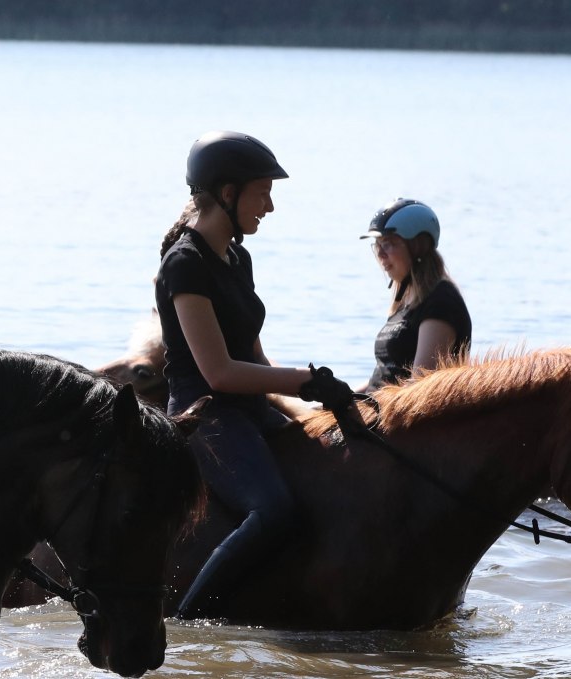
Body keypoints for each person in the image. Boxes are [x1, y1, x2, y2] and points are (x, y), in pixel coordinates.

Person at [153, 131, 354, 620]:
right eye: (263, 192)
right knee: (273, 511)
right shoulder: (185, 264)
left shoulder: (237, 259)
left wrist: (312, 404)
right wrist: (304, 381)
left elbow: (256, 360)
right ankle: (188, 624)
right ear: (226, 193)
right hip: (205, 415)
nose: (269, 206)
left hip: (249, 409)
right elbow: (218, 373)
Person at [361, 198, 471, 390]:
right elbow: (380, 379)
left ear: (417, 246)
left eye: (388, 243)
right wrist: (341, 399)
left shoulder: (440, 302)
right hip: (377, 408)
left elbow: (419, 387)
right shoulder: (406, 302)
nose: (380, 254)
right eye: (377, 245)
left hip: (398, 415)